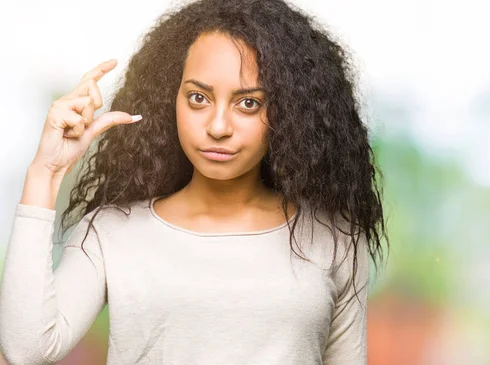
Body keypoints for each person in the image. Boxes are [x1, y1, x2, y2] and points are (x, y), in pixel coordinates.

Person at [0, 0, 388, 363]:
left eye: (248, 103)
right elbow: (26, 350)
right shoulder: (112, 232)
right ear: (171, 99)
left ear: (287, 111)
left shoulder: (333, 237)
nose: (218, 127)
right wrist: (45, 173)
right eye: (198, 98)